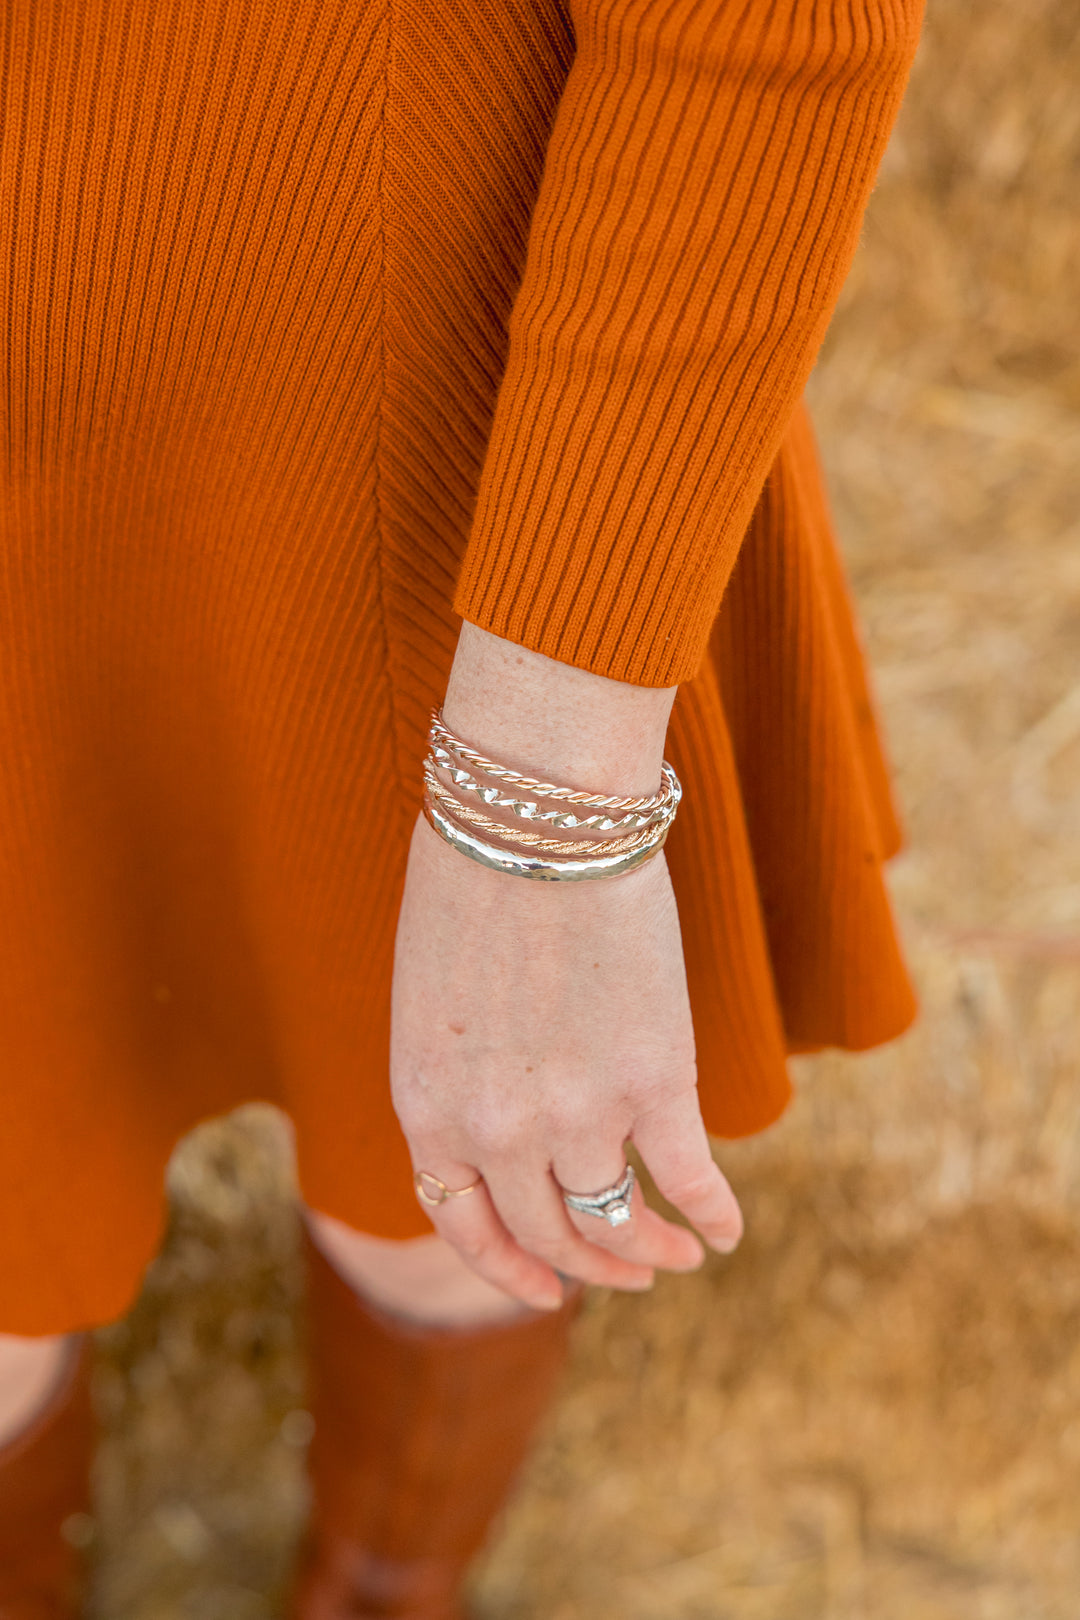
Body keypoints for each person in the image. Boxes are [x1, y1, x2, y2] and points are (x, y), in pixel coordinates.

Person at [0, 0, 925, 1612]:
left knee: (446, 1186)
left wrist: (544, 799)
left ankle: (382, 1590)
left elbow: (766, 34)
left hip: (398, 444)